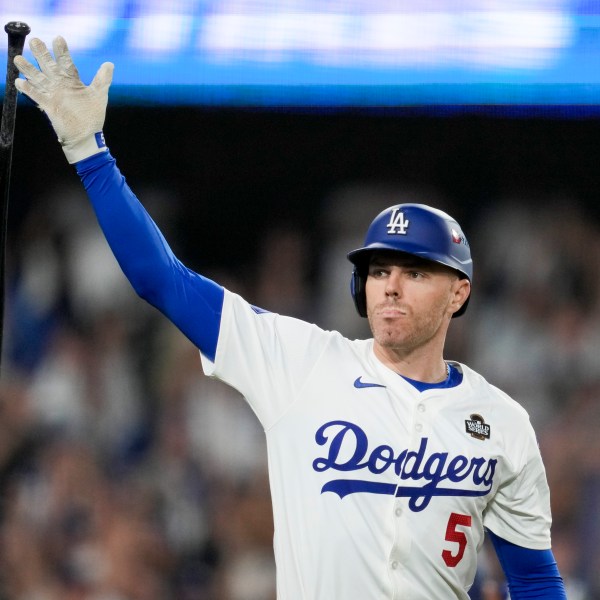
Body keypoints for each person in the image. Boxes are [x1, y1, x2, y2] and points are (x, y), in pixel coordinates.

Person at [14, 37, 567, 599]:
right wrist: (90, 151)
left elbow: (533, 579)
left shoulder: (501, 423)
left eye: (416, 273)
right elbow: (162, 279)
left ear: (459, 293)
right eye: (378, 272)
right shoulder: (302, 362)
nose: (391, 287)